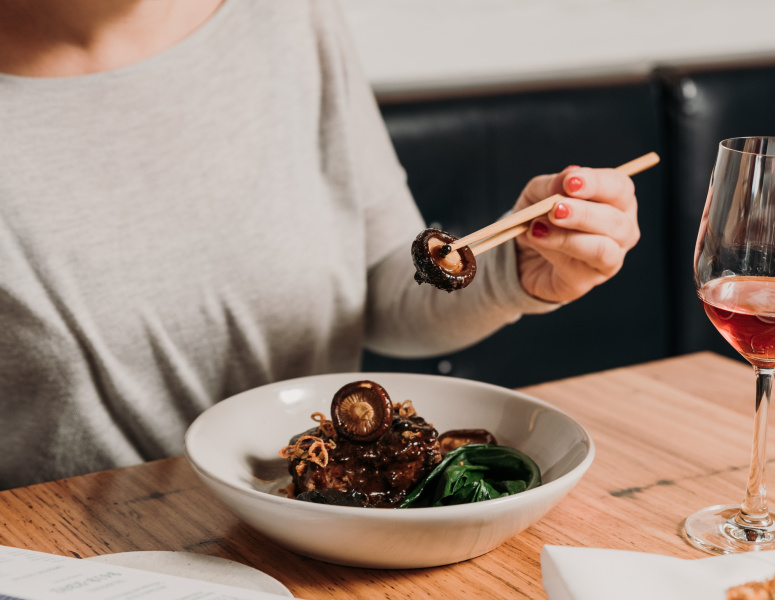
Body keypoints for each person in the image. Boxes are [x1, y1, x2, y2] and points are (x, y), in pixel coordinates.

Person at [0, 0, 639, 490]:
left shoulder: (287, 16)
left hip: (317, 533)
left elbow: (383, 291)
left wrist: (513, 269)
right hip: (70, 556)